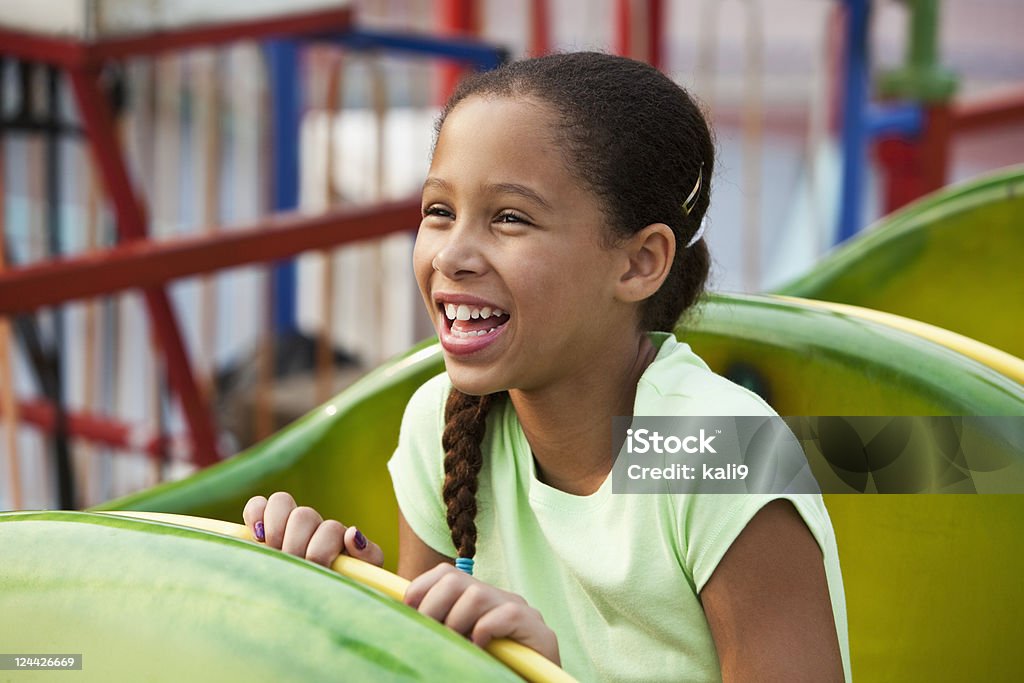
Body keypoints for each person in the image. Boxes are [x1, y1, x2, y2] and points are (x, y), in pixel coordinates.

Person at [243, 51, 850, 682]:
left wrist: (539, 671)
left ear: (640, 263)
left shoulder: (714, 453)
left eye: (510, 217)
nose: (452, 254)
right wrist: (349, 589)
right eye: (439, 211)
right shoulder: (440, 421)